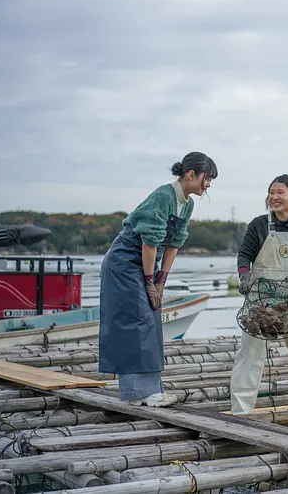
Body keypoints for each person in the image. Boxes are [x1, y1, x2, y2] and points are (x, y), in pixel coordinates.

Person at [98, 151, 218, 407]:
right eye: (207, 179)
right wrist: (149, 281)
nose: (208, 185)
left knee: (151, 318)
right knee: (136, 320)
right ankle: (139, 393)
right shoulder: (164, 196)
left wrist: (162, 280)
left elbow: (174, 243)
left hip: (145, 265)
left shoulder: (187, 203)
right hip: (125, 261)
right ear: (191, 174)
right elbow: (150, 243)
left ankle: (145, 391)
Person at [230, 174, 288, 414]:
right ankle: (241, 409)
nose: (274, 197)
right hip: (261, 301)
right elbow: (244, 256)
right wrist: (244, 276)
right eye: (271, 192)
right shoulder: (259, 225)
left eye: (280, 192)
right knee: (249, 354)